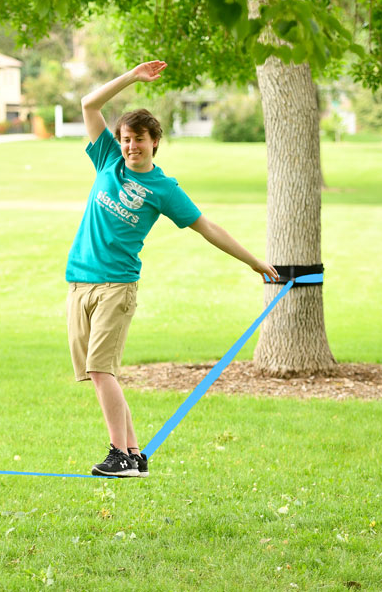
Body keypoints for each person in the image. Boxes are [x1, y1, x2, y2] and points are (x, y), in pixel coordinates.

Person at [67, 60, 279, 477]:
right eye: (126, 139)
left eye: (139, 140)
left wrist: (254, 261)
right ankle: (133, 455)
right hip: (79, 281)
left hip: (116, 285)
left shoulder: (163, 188)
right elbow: (88, 104)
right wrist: (130, 77)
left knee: (100, 369)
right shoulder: (107, 160)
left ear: (155, 142)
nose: (131, 147)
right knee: (97, 374)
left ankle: (119, 454)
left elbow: (207, 227)